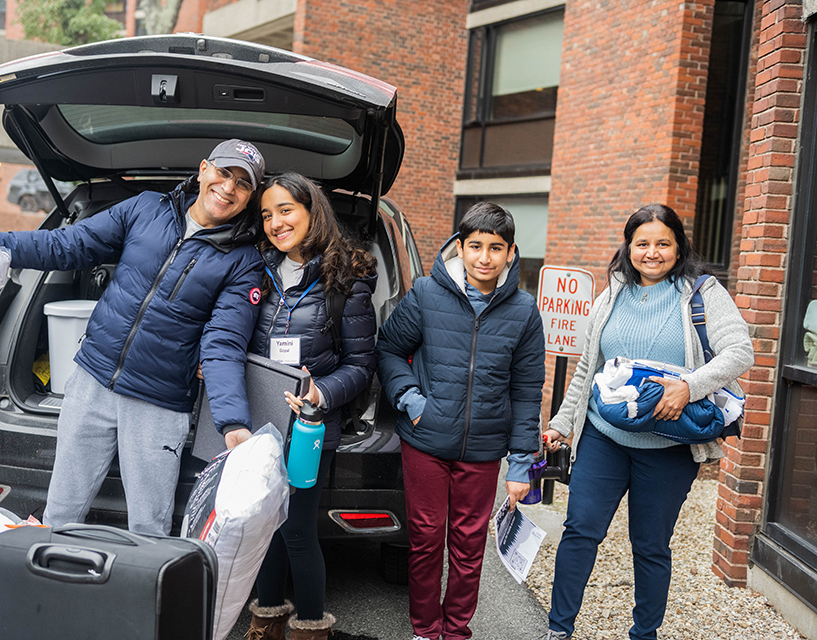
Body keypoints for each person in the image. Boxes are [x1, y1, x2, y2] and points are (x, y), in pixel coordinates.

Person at [0, 139, 266, 536]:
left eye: (243, 183)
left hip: (159, 403)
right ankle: (49, 592)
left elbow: (223, 343)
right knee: (60, 514)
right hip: (92, 380)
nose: (228, 187)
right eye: (224, 172)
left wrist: (232, 421)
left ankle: (140, 597)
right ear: (204, 169)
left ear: (250, 196)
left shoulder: (242, 261)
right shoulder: (147, 208)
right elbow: (68, 245)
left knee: (148, 529)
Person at [540, 204, 754, 640]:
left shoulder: (703, 292)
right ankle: (558, 630)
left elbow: (740, 352)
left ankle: (645, 634)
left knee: (651, 547)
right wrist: (563, 422)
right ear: (629, 246)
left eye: (663, 244)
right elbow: (588, 367)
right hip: (605, 436)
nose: (651, 253)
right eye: (642, 243)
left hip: (668, 448)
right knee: (580, 530)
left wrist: (689, 387)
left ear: (679, 247)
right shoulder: (613, 290)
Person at [376, 202, 545, 640]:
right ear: (460, 247)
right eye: (475, 246)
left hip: (485, 449)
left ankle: (456, 631)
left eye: (495, 248)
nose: (484, 257)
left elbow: (527, 390)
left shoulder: (525, 311)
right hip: (426, 441)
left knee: (469, 547)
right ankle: (425, 631)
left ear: (511, 253)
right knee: (427, 540)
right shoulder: (429, 293)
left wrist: (522, 463)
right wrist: (411, 399)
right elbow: (389, 348)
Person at [242, 173, 378, 640]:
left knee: (297, 530)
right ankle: (267, 623)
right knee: (265, 528)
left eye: (285, 210)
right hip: (259, 425)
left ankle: (310, 629)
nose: (275, 223)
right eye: (266, 214)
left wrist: (319, 392)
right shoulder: (256, 269)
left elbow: (361, 365)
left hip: (309, 429)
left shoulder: (347, 278)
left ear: (311, 211)